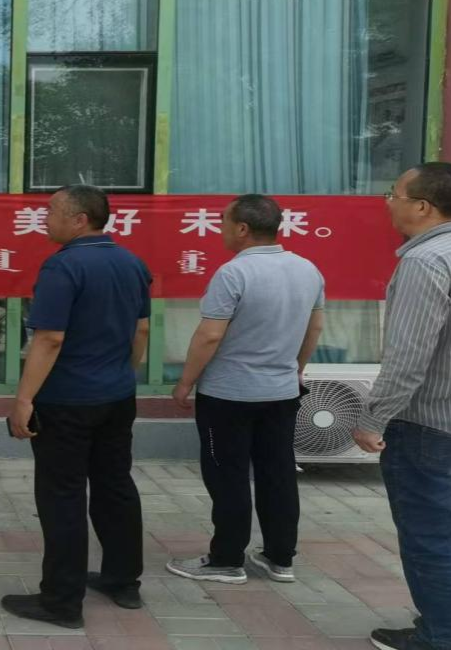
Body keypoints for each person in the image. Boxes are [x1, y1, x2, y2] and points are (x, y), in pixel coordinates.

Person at [351, 162, 451, 650]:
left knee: (429, 534)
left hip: (430, 425)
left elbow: (408, 358)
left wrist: (372, 419)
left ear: (423, 206)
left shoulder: (425, 262)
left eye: (394, 194)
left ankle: (443, 637)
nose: (389, 203)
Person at [3, 184, 151, 628]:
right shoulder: (131, 262)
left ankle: (61, 602)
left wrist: (23, 400)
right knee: (115, 485)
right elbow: (141, 330)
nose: (44, 218)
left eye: (51, 211)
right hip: (117, 397)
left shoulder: (63, 266)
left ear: (80, 219)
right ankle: (123, 581)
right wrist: (121, 374)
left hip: (67, 401)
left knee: (62, 496)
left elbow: (50, 338)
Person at [164, 194, 325, 585]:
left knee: (228, 475)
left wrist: (185, 381)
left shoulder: (233, 273)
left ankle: (226, 559)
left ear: (242, 228)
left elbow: (210, 335)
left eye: (223, 222)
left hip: (229, 395)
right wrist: (295, 369)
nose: (220, 229)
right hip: (281, 392)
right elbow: (315, 327)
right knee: (278, 473)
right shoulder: (307, 269)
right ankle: (279, 557)